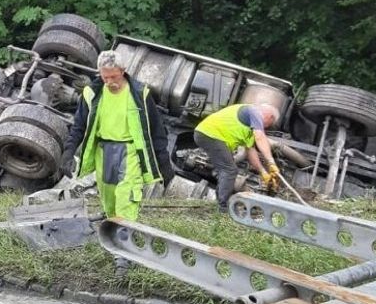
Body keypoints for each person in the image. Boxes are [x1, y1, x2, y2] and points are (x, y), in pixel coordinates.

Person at [62, 49, 174, 219]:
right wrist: (68, 152)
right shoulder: (92, 93)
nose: (109, 82)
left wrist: (164, 163)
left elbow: (156, 129)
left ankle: (124, 236)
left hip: (130, 152)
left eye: (113, 77)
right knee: (109, 199)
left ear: (123, 71)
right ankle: (112, 233)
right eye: (105, 77)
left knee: (126, 196)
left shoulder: (139, 94)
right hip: (103, 151)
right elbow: (79, 126)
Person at [193, 103, 281, 212]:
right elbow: (260, 137)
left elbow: (251, 151)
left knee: (225, 170)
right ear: (269, 117)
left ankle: (217, 204)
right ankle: (222, 208)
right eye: (269, 124)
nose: (266, 127)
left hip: (210, 135)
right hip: (210, 134)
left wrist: (263, 172)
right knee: (230, 170)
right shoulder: (253, 111)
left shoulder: (249, 128)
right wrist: (271, 162)